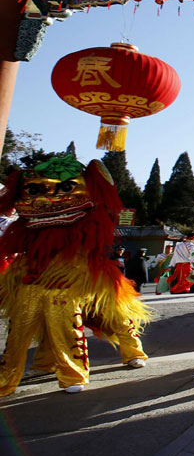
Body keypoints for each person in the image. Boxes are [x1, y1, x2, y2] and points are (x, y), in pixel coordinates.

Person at [0, 156, 150, 395]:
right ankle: (28, 368)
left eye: (66, 188)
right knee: (24, 319)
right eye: (34, 191)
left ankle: (125, 354)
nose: (43, 201)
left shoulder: (89, 222)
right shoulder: (32, 230)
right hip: (37, 271)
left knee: (113, 315)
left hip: (83, 271)